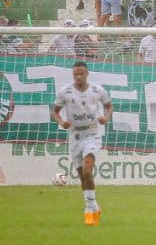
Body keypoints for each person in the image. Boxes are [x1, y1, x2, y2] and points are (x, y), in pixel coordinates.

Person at [51, 61, 113, 226]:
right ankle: (94, 206)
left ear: (87, 74)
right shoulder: (65, 92)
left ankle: (88, 210)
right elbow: (55, 111)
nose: (79, 77)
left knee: (87, 169)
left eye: (81, 74)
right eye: (76, 74)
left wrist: (105, 118)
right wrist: (61, 121)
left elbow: (109, 107)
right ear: (73, 75)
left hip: (92, 134)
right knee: (83, 176)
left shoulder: (97, 90)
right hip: (75, 137)